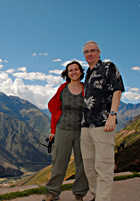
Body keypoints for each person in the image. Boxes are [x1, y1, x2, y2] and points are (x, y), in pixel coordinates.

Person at [80, 41, 125, 201]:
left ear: (99, 52)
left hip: (103, 124)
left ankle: (102, 198)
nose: (89, 54)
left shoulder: (108, 67)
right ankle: (94, 192)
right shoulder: (87, 73)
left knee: (104, 166)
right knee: (89, 164)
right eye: (86, 52)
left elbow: (117, 90)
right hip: (85, 125)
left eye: (93, 51)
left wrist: (112, 115)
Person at [43, 61, 89, 201]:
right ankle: (53, 192)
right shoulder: (63, 88)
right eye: (70, 70)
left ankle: (80, 193)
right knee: (59, 161)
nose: (73, 72)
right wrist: (53, 130)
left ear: (81, 72)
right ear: (67, 73)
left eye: (76, 69)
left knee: (82, 163)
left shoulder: (86, 89)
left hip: (82, 131)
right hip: (63, 129)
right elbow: (54, 108)